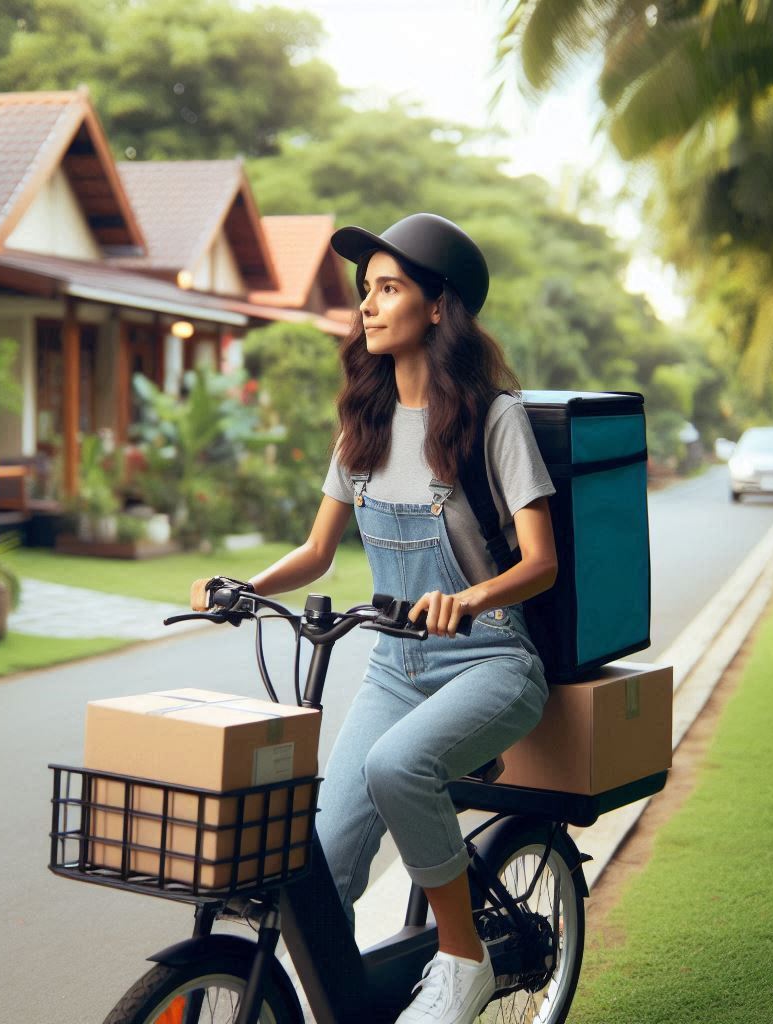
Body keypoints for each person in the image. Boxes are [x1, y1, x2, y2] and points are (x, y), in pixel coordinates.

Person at [191, 212, 558, 1024]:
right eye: (366, 290)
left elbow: (540, 563)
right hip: (397, 669)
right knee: (318, 866)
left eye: (389, 288)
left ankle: (462, 965)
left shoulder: (494, 420)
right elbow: (318, 551)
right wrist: (240, 585)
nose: (368, 304)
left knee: (398, 768)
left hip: (490, 662)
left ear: (439, 307)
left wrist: (468, 598)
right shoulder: (363, 422)